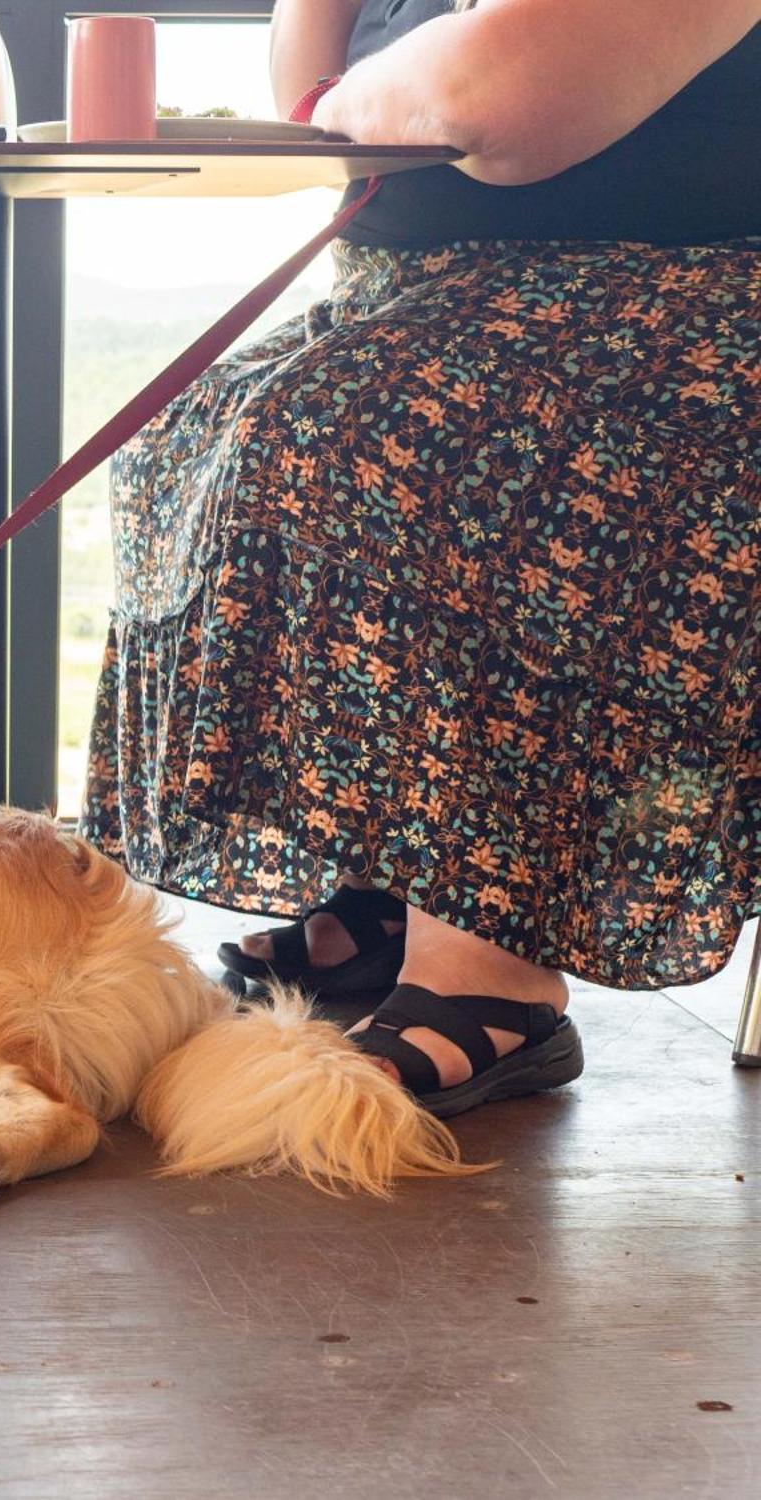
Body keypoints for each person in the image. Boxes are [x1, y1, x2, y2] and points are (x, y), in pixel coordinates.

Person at [80, 0, 761, 1116]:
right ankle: (388, 887)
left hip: (684, 301)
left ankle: (492, 964)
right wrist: (350, 92)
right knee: (213, 428)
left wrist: (351, 102)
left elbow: (495, 93)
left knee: (399, 439)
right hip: (428, 293)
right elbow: (315, 56)